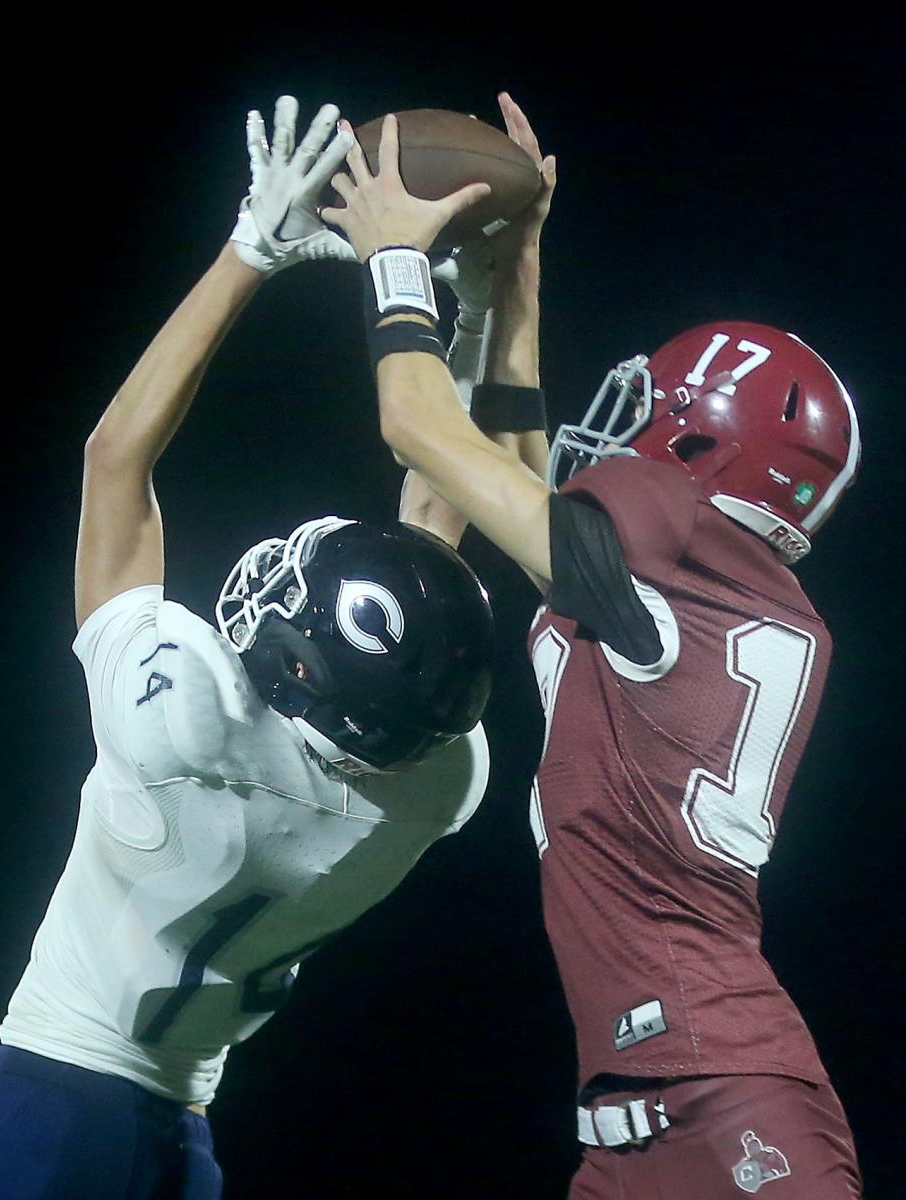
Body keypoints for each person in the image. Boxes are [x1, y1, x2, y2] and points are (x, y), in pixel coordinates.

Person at [0, 97, 494, 1200]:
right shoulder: (433, 783)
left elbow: (114, 459)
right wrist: (478, 307)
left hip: (47, 1106)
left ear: (296, 672)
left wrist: (252, 250)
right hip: (183, 1142)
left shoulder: (178, 724)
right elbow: (437, 521)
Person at [322, 96, 864, 1197]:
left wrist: (395, 267)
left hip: (726, 1105)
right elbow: (517, 464)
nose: (619, 438)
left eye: (653, 416)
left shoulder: (666, 561)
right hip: (639, 1124)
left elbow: (423, 427)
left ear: (701, 442)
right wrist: (516, 264)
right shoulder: (694, 592)